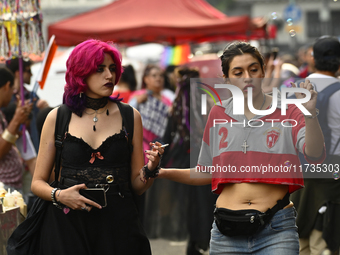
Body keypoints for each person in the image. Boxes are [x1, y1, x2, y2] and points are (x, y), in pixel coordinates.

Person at [149, 41, 326, 254]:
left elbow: (315, 153)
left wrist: (309, 114)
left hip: (276, 230)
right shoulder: (218, 113)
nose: (247, 77)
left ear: (263, 72)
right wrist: (160, 172)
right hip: (226, 232)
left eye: (253, 69)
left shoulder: (288, 110)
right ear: (226, 79)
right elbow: (206, 171)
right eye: (238, 72)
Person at [30, 39, 163, 254]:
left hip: (119, 227)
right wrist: (59, 195)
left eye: (112, 69)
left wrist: (151, 168)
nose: (109, 76)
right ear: (81, 72)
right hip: (68, 226)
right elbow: (37, 183)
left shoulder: (130, 116)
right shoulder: (58, 117)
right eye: (99, 69)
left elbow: (137, 186)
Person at [291, 36, 340, 255]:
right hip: (333, 175)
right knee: (324, 241)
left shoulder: (292, 90)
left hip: (299, 171)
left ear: (312, 60)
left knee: (299, 241)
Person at [5, 57, 49, 151]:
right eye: (28, 71)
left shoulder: (31, 96)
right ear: (18, 72)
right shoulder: (6, 98)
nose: (31, 74)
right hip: (14, 149)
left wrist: (43, 110)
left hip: (33, 146)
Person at [0, 67, 33, 193]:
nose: (13, 94)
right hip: (4, 187)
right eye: (13, 89)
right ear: (7, 86)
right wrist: (16, 120)